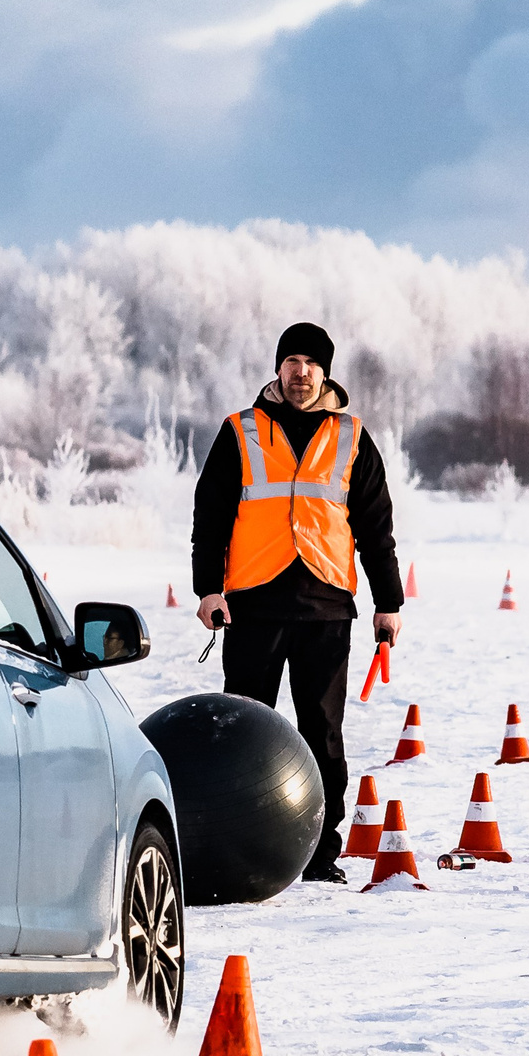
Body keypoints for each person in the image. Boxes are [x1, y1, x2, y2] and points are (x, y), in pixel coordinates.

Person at [191, 321, 404, 884]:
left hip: (325, 607)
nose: (301, 372)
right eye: (292, 361)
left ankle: (318, 851)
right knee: (243, 732)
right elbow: (209, 518)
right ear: (278, 368)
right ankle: (238, 843)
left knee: (323, 735)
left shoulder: (352, 436)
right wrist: (208, 588)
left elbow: (375, 526)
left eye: (312, 363)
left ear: (326, 372)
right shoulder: (240, 431)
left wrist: (389, 601)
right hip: (252, 606)